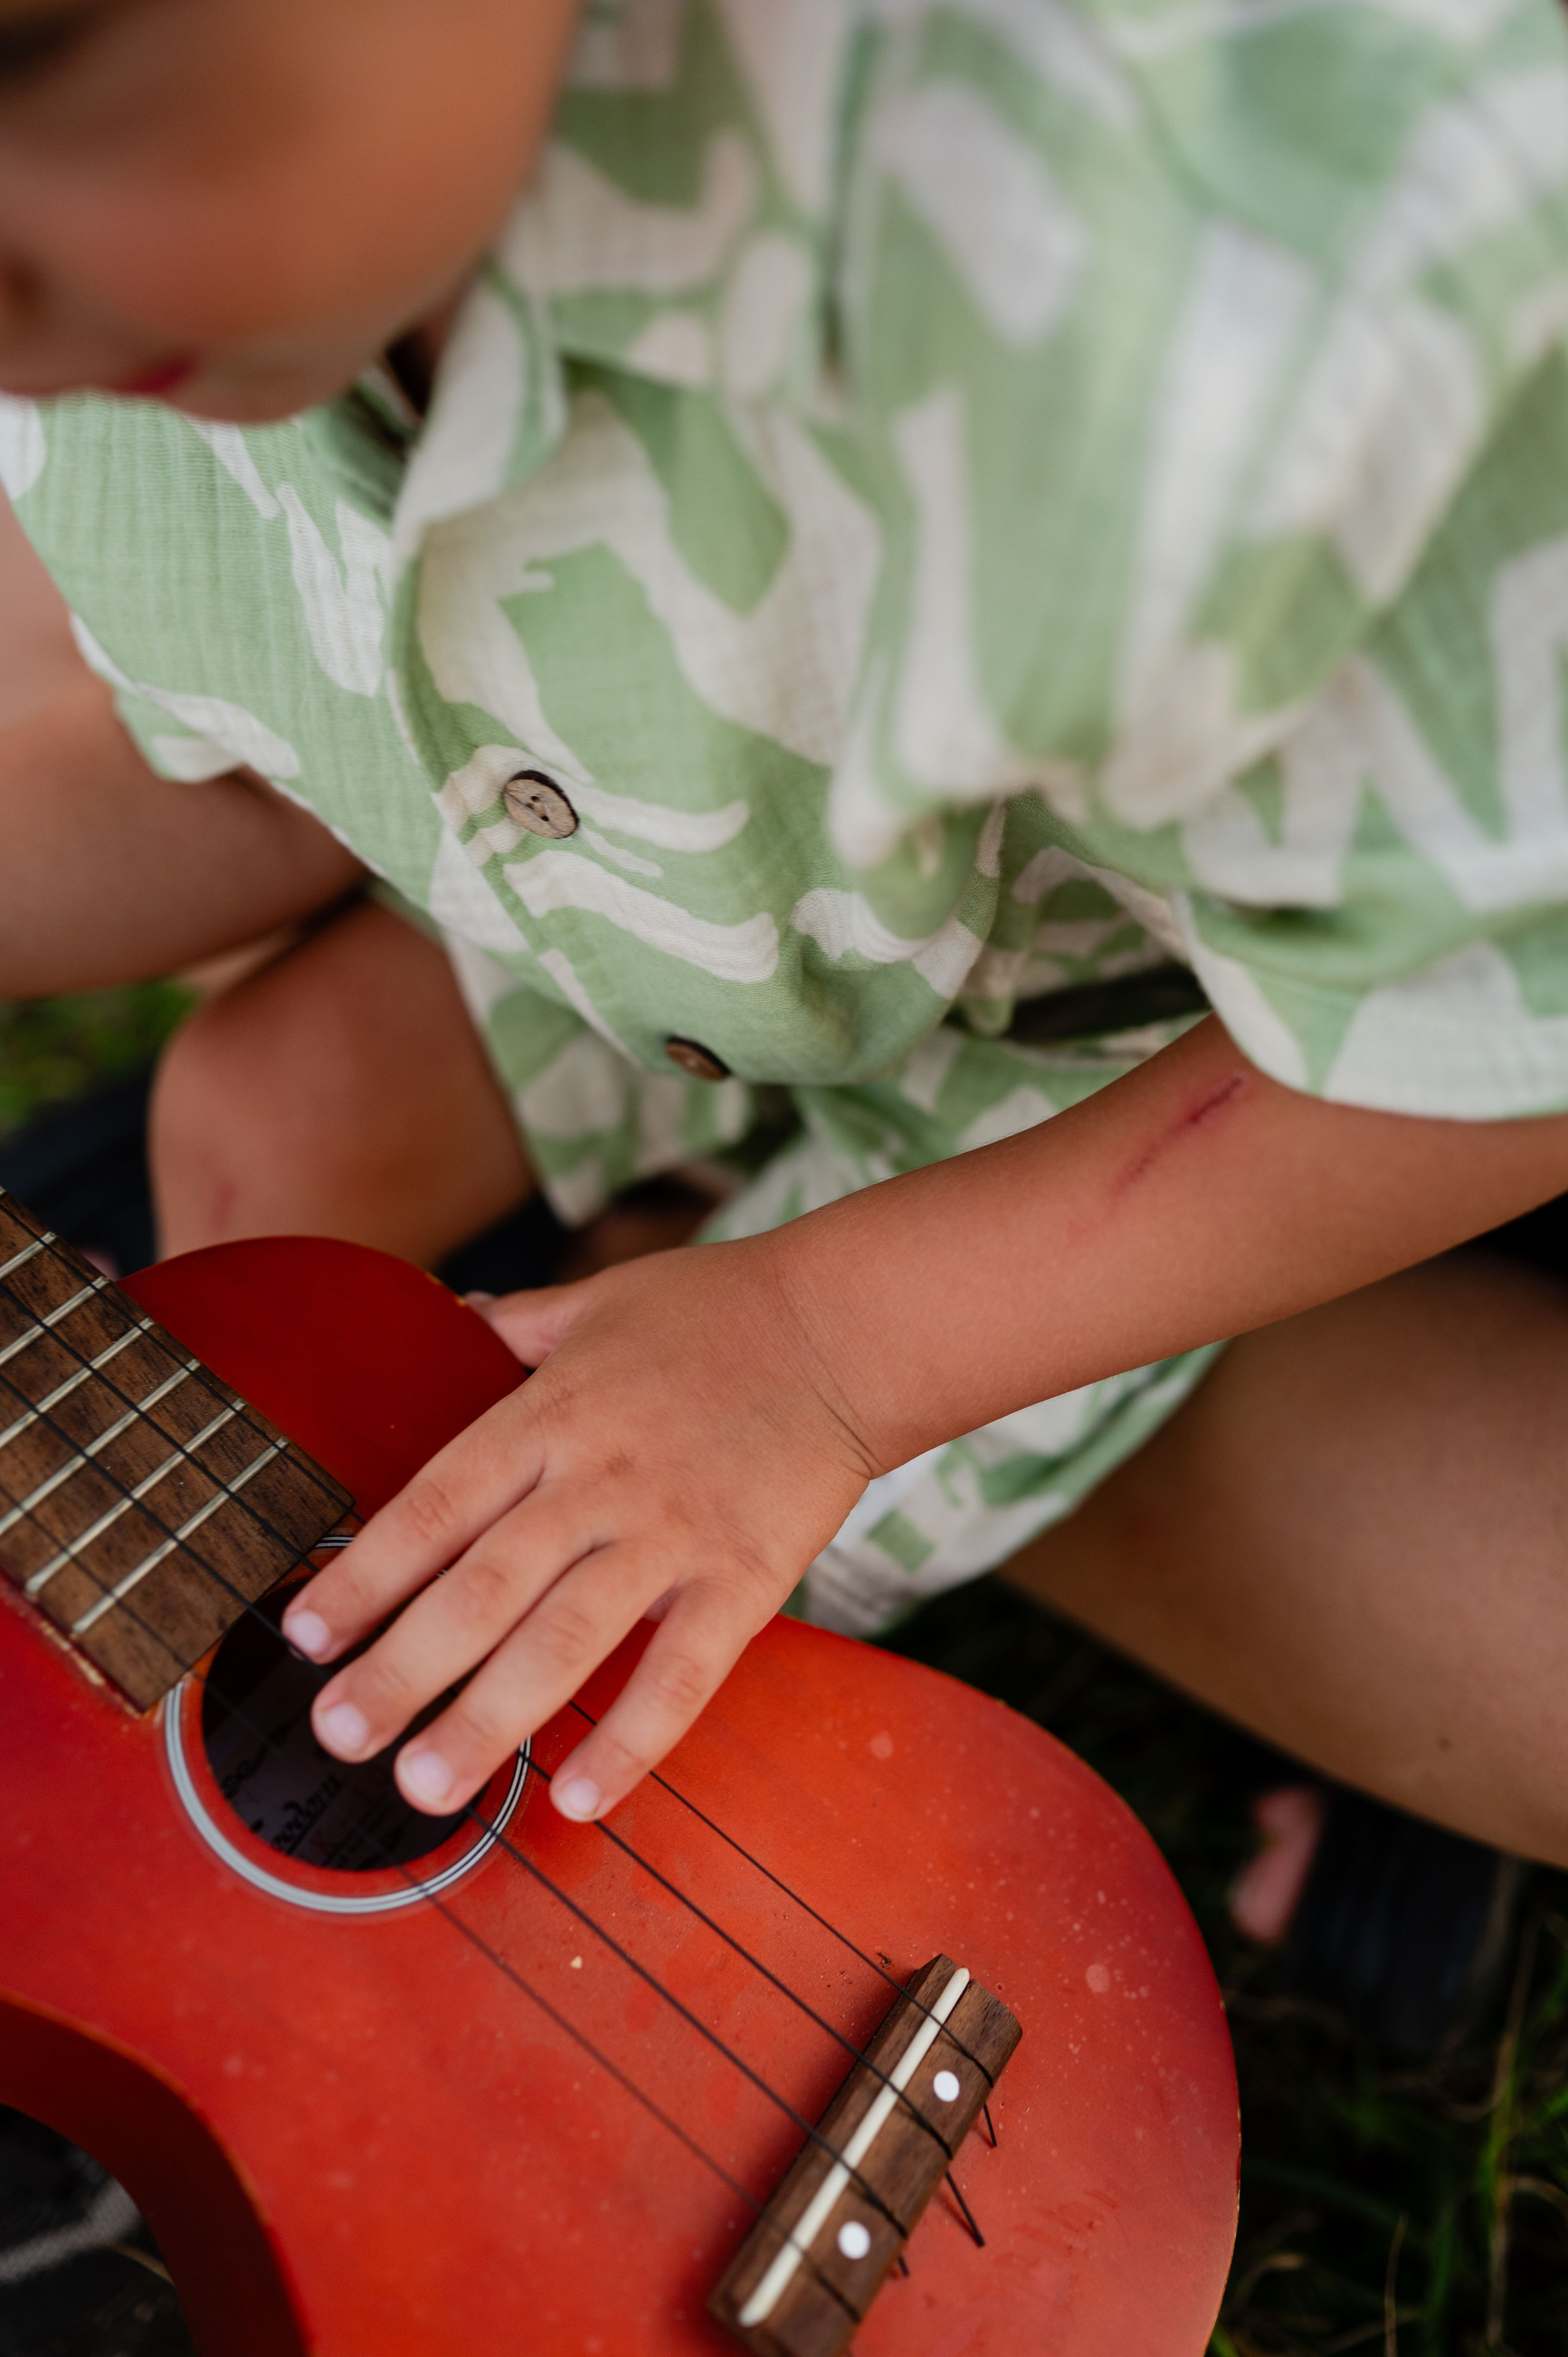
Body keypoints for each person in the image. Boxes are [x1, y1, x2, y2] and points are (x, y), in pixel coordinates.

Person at [2, 0, 1568, 1934]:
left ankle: (778, 1344)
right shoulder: (197, 239)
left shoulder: (1212, 274)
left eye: (32, 52)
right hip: (758, 880)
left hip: (1276, 1034)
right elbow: (225, 707)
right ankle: (669, 1302)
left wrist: (832, 1354)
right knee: (269, 1132)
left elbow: (1507, 1026)